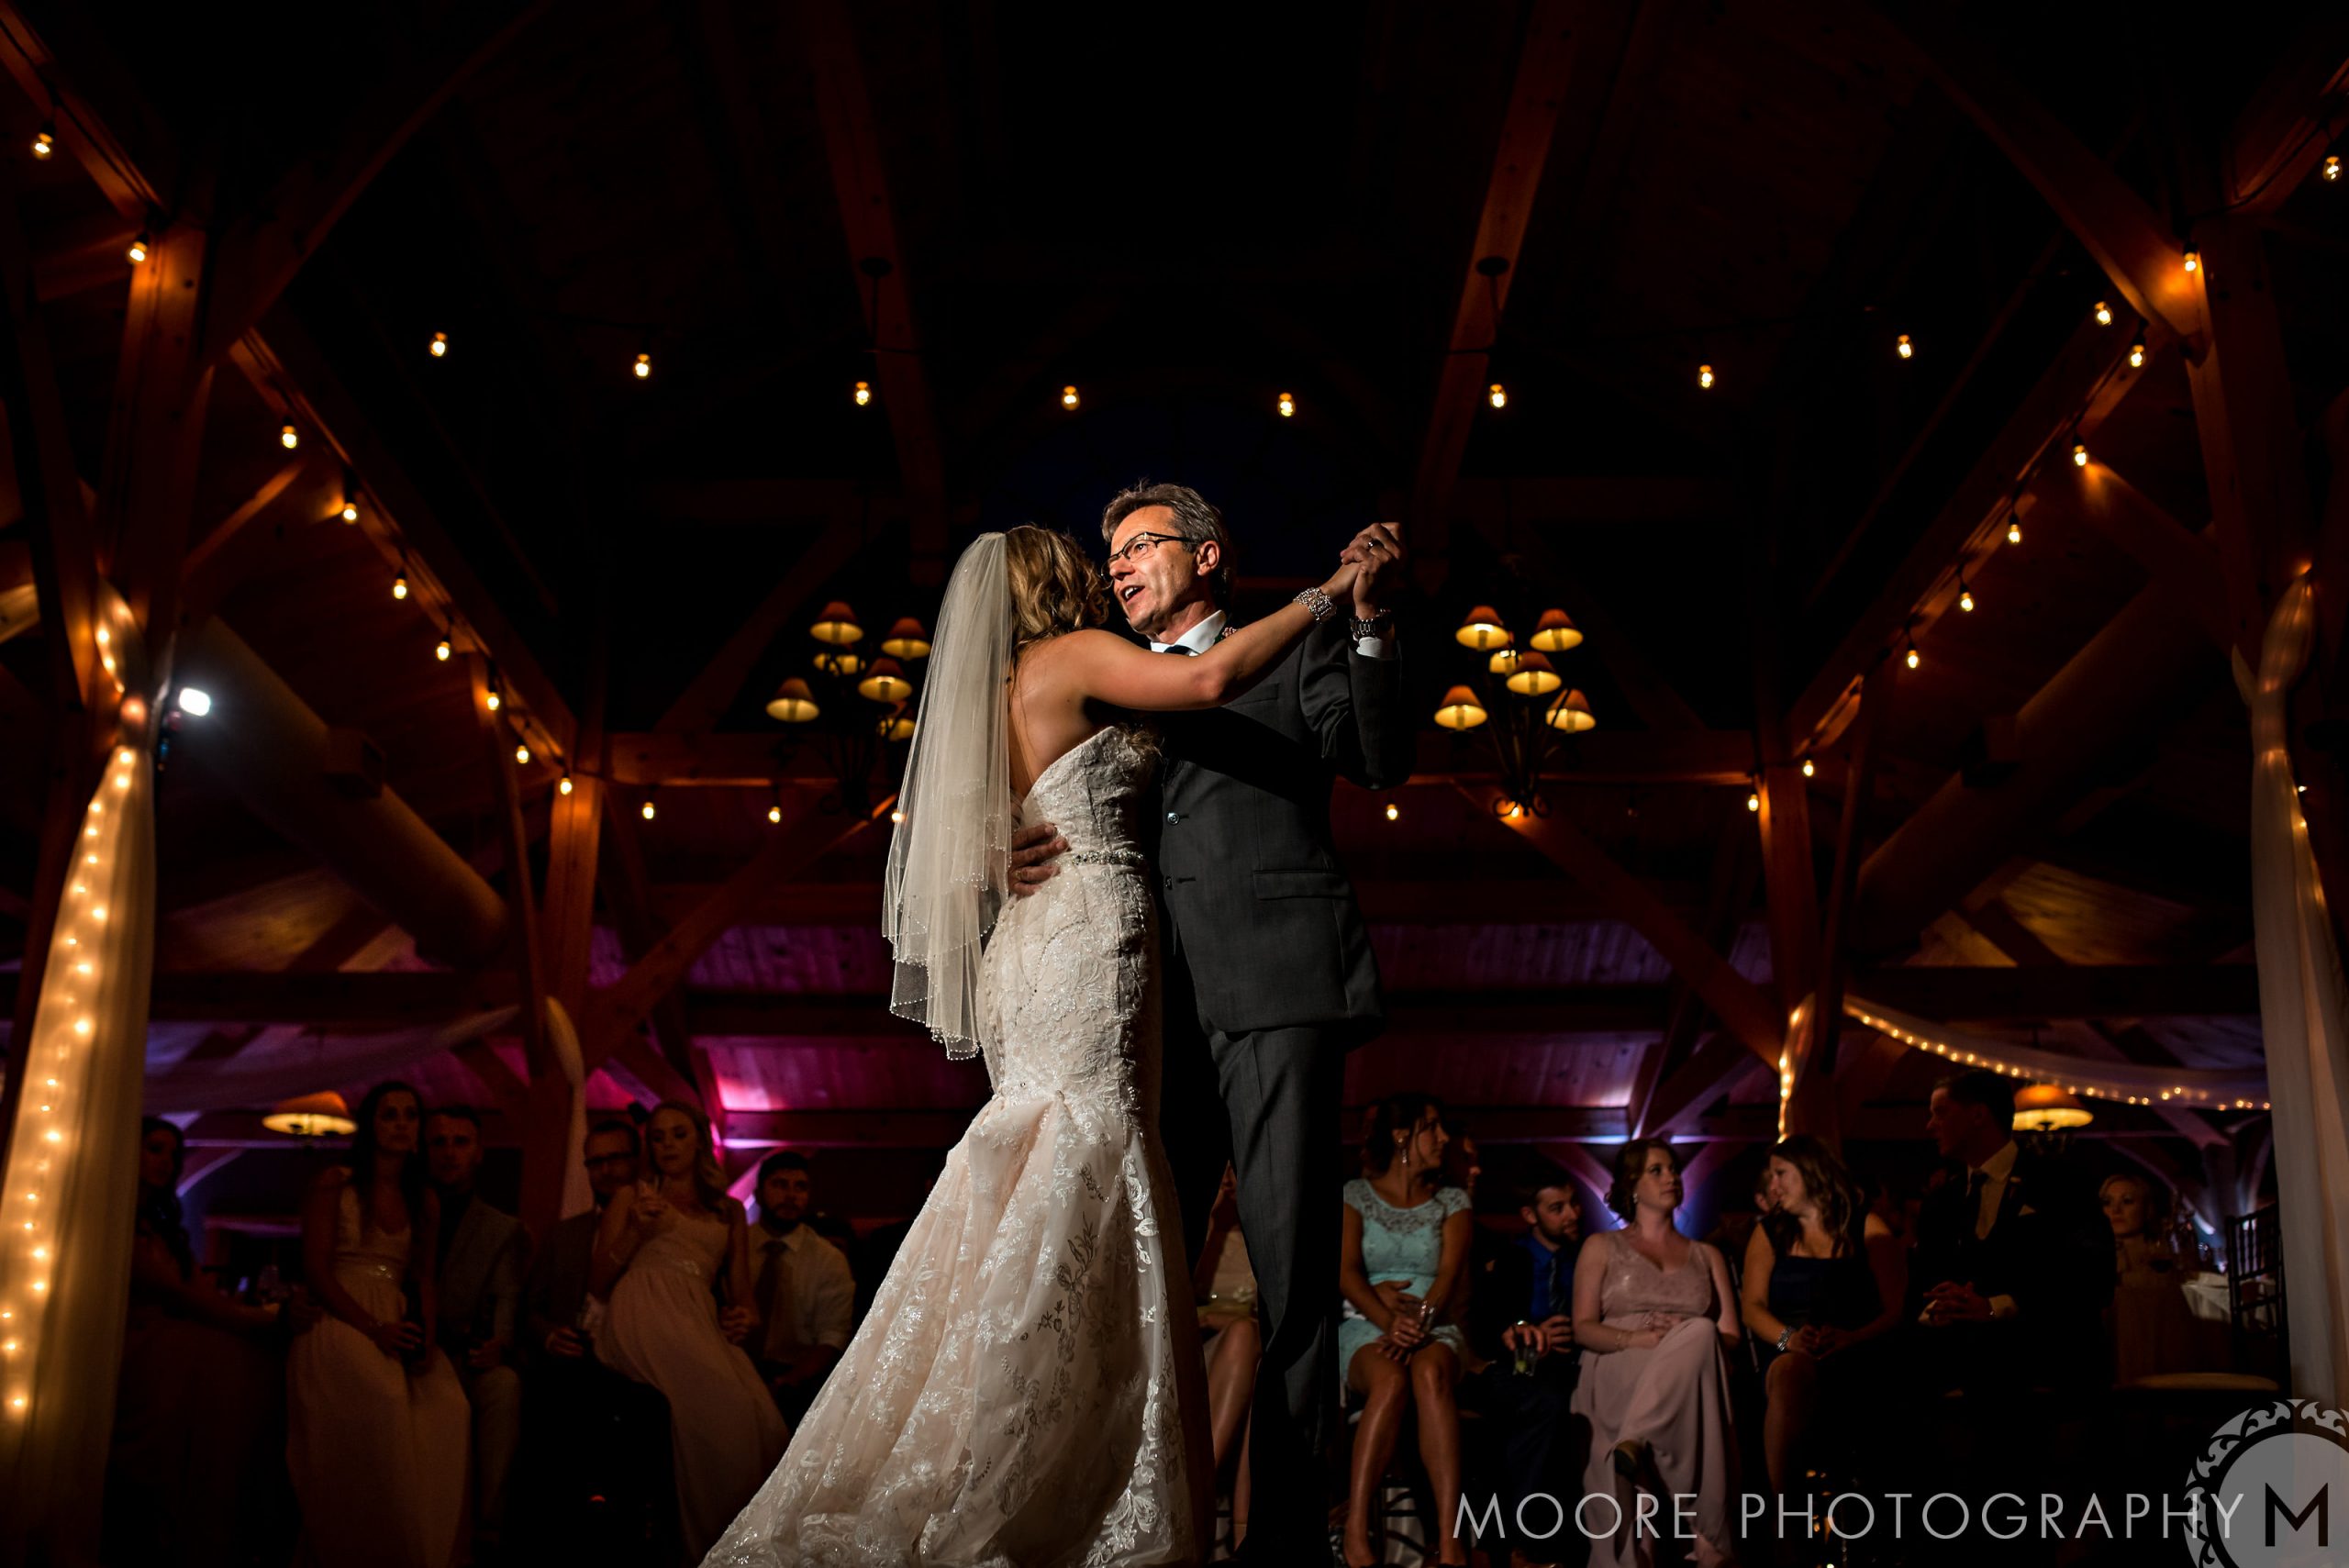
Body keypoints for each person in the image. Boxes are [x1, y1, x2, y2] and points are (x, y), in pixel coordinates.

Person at [706, 524, 1369, 1564]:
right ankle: (1044, 1458)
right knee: (1086, 1148)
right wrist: (1327, 592)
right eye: (1085, 557)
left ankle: (1036, 1435)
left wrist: (988, 840)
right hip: (1086, 934)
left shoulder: (993, 695)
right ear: (1050, 584)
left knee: (1043, 1158)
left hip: (1029, 940)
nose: (1103, 568)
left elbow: (933, 821)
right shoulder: (1068, 659)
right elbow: (1208, 687)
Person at [1006, 481, 1415, 1562]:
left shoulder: (1285, 650)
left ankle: (1282, 1537)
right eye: (1114, 552)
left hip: (1279, 986)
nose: (1122, 565)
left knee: (1287, 1279)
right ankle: (1145, 1517)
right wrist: (1001, 833)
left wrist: (1367, 624)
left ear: (1209, 555)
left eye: (1143, 545)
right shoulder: (1114, 678)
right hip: (1143, 1008)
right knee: (1142, 1272)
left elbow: (1374, 758)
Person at [284, 1081, 472, 1568]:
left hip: (395, 1315)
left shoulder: (423, 1199)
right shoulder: (336, 1183)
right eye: (389, 1114)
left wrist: (425, 1339)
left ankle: (422, 1549)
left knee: (449, 1406)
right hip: (341, 1312)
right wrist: (373, 1328)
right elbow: (318, 1270)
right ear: (371, 1125)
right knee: (382, 1398)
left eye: (410, 1115)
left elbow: (425, 1277)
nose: (401, 1124)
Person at [589, 1100, 784, 1562]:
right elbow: (597, 1283)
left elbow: (742, 1296)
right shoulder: (630, 1196)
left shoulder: (729, 1211)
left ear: (699, 1138)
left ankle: (740, 1545)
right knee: (729, 1412)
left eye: (678, 1134)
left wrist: (745, 1316)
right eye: (658, 1136)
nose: (668, 1145)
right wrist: (636, 1231)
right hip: (641, 1308)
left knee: (765, 1420)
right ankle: (708, 1543)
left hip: (696, 1315)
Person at [105, 1118, 295, 1568]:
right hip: (135, 1340)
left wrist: (260, 1317)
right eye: (154, 1149)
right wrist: (255, 1318)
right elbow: (177, 1294)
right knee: (230, 1360)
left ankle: (231, 1515)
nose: (166, 1162)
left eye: (172, 1154)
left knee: (251, 1359)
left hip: (172, 1336)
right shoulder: (113, 1218)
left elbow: (199, 1292)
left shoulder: (162, 1224)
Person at [1570, 1140, 1742, 1568]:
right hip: (1619, 1358)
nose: (1672, 1177)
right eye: (1657, 1170)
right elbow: (1583, 1327)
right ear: (1631, 1184)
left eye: (1674, 1169)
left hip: (1690, 1370)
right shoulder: (1601, 1247)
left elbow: (1731, 1334)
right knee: (1679, 1355)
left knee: (1701, 1335)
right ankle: (1704, 1541)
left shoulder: (1708, 1255)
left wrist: (1681, 1340)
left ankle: (1637, 1441)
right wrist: (1637, 1339)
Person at [514, 1118, 674, 1557]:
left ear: (636, 1160)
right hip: (576, 1357)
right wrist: (548, 1335)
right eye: (595, 1162)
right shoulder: (567, 1234)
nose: (606, 1170)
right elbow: (529, 1307)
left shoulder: (663, 1225)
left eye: (616, 1158)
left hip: (644, 1356)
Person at [1909, 1070, 2110, 1396]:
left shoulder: (2062, 1184)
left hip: (2048, 1369)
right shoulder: (1940, 1201)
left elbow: (2092, 1278)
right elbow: (1921, 1285)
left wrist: (1995, 1306)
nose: (1930, 1125)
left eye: (1940, 1112)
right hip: (1958, 1375)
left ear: (1978, 1115)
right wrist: (1937, 1309)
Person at [1338, 1094, 1474, 1568]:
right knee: (1391, 1380)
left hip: (1435, 1328)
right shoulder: (1354, 1195)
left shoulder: (1453, 1202)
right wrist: (1387, 1321)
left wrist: (1418, 1323)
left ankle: (1451, 1541)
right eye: (1431, 1128)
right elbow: (1347, 1272)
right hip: (1367, 1325)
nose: (1444, 1139)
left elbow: (1448, 1275)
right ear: (1402, 1137)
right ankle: (1356, 1534)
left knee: (1430, 1375)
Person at [1739, 1135, 1905, 1493]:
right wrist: (1789, 1339)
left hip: (1857, 1349)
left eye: (1781, 1173)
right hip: (1786, 1349)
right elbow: (1751, 1307)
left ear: (1811, 1172)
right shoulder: (1769, 1233)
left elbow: (1895, 1308)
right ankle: (1786, 1516)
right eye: (1771, 1176)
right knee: (1790, 1370)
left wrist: (1852, 1337)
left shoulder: (1868, 1227)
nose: (1773, 1185)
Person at [1454, 1161, 1584, 1568]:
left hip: (1581, 1364)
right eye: (1557, 1208)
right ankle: (1519, 1540)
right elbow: (1495, 1323)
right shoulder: (1511, 1260)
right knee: (1532, 1407)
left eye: (1573, 1205)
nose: (1571, 1215)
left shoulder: (1585, 1258)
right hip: (1524, 1368)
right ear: (1530, 1216)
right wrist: (1531, 1329)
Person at [425, 1104, 527, 1551]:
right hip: (399, 1343)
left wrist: (497, 1344)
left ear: (479, 1151)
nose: (449, 1153)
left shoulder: (501, 1229)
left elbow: (505, 1295)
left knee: (502, 1386)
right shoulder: (399, 1209)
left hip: (458, 1350)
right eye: (439, 1142)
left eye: (460, 1142)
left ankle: (490, 1527)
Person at [745, 1151, 854, 1425]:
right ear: (758, 1194)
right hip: (730, 1365)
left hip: (796, 1376)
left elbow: (833, 1336)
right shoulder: (736, 1245)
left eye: (800, 1187)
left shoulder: (827, 1259)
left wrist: (788, 1381)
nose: (791, 1196)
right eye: (780, 1185)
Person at [1194, 1163, 1262, 1551]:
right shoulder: (1198, 1233)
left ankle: (1243, 1534)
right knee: (1241, 1335)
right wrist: (1209, 1219)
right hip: (1201, 1358)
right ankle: (1204, 1492)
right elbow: (1174, 1306)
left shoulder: (1258, 1236)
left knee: (1258, 1360)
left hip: (1249, 1359)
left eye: (1235, 1169)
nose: (1228, 1179)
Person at [2100, 1172, 2205, 1384]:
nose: (2116, 1210)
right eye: (2108, 1202)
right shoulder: (2094, 1252)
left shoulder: (2161, 1250)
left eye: (2127, 1201)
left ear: (2146, 1208)